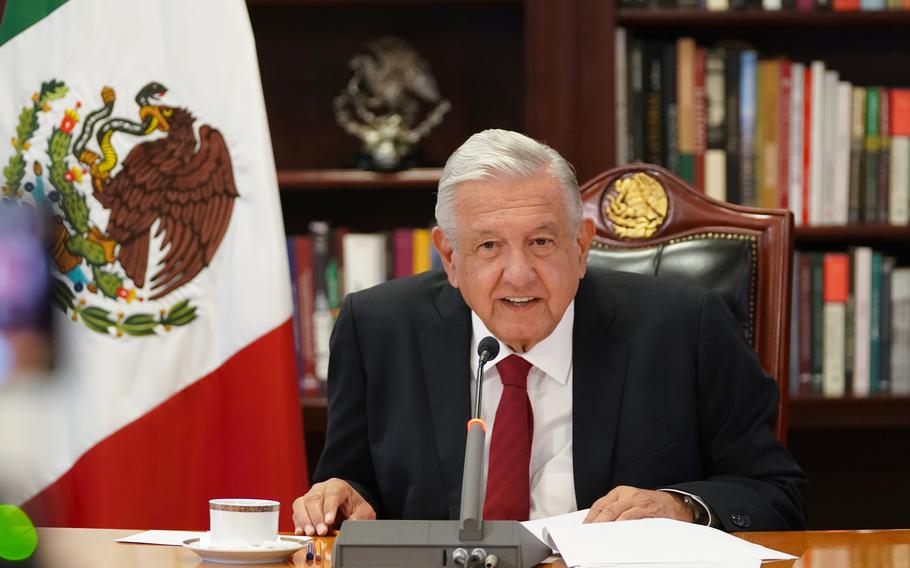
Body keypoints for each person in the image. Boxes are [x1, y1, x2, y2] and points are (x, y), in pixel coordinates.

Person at [293, 129, 807, 536]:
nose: (518, 274)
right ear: (450, 257)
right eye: (489, 247)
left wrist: (682, 506)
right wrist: (341, 498)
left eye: (541, 241)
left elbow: (775, 495)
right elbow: (353, 486)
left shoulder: (685, 329)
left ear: (581, 246)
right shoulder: (378, 330)